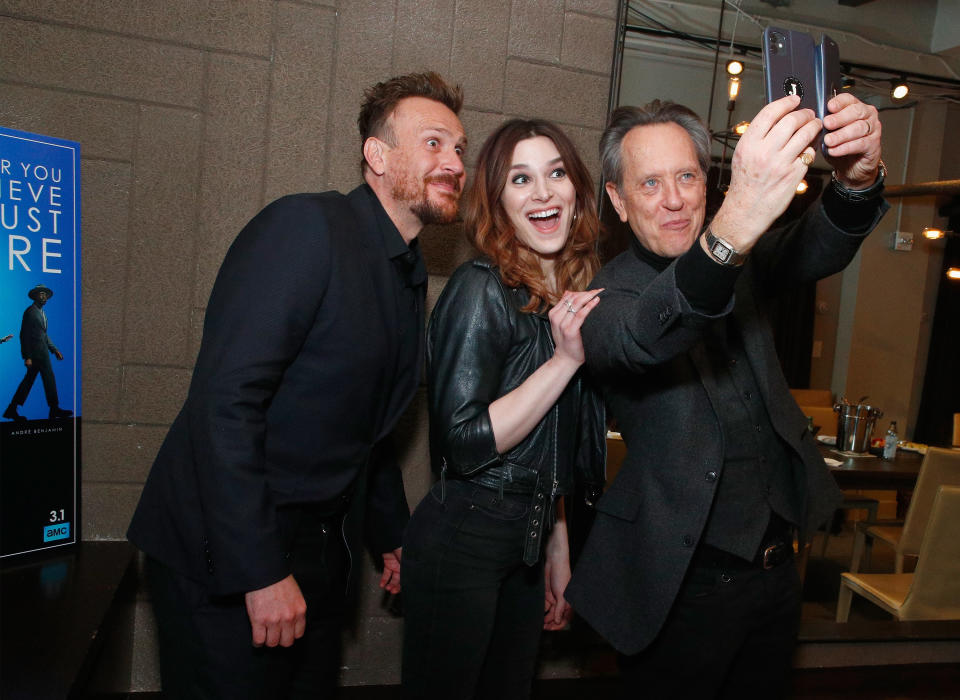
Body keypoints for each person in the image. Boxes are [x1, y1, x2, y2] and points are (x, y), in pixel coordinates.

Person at [126, 72, 467, 699]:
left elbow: (368, 433)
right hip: (223, 553)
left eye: (459, 148)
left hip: (316, 555)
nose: (453, 162)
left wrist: (391, 536)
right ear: (377, 154)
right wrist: (259, 571)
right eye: (434, 143)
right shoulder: (308, 227)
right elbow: (224, 403)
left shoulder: (406, 270)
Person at [565, 93, 888, 698]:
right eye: (651, 183)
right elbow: (646, 335)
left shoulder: (744, 264)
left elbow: (814, 245)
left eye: (687, 175)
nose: (674, 199)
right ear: (618, 200)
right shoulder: (609, 299)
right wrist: (736, 219)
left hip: (773, 573)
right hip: (678, 584)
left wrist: (858, 181)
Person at [401, 119, 607, 699]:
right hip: (464, 534)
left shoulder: (563, 297)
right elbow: (463, 442)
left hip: (527, 538)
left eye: (556, 174)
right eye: (521, 179)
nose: (543, 193)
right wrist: (565, 361)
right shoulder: (480, 285)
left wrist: (557, 553)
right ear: (498, 203)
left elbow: (557, 440)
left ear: (576, 192)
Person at [4, 284, 72, 421]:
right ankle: (54, 409)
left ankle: (11, 409)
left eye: (45, 294)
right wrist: (27, 356)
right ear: (35, 296)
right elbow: (24, 335)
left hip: (42, 353)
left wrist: (55, 349)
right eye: (41, 294)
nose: (44, 296)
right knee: (48, 379)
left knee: (29, 381)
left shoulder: (42, 313)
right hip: (36, 355)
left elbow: (44, 335)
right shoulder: (30, 311)